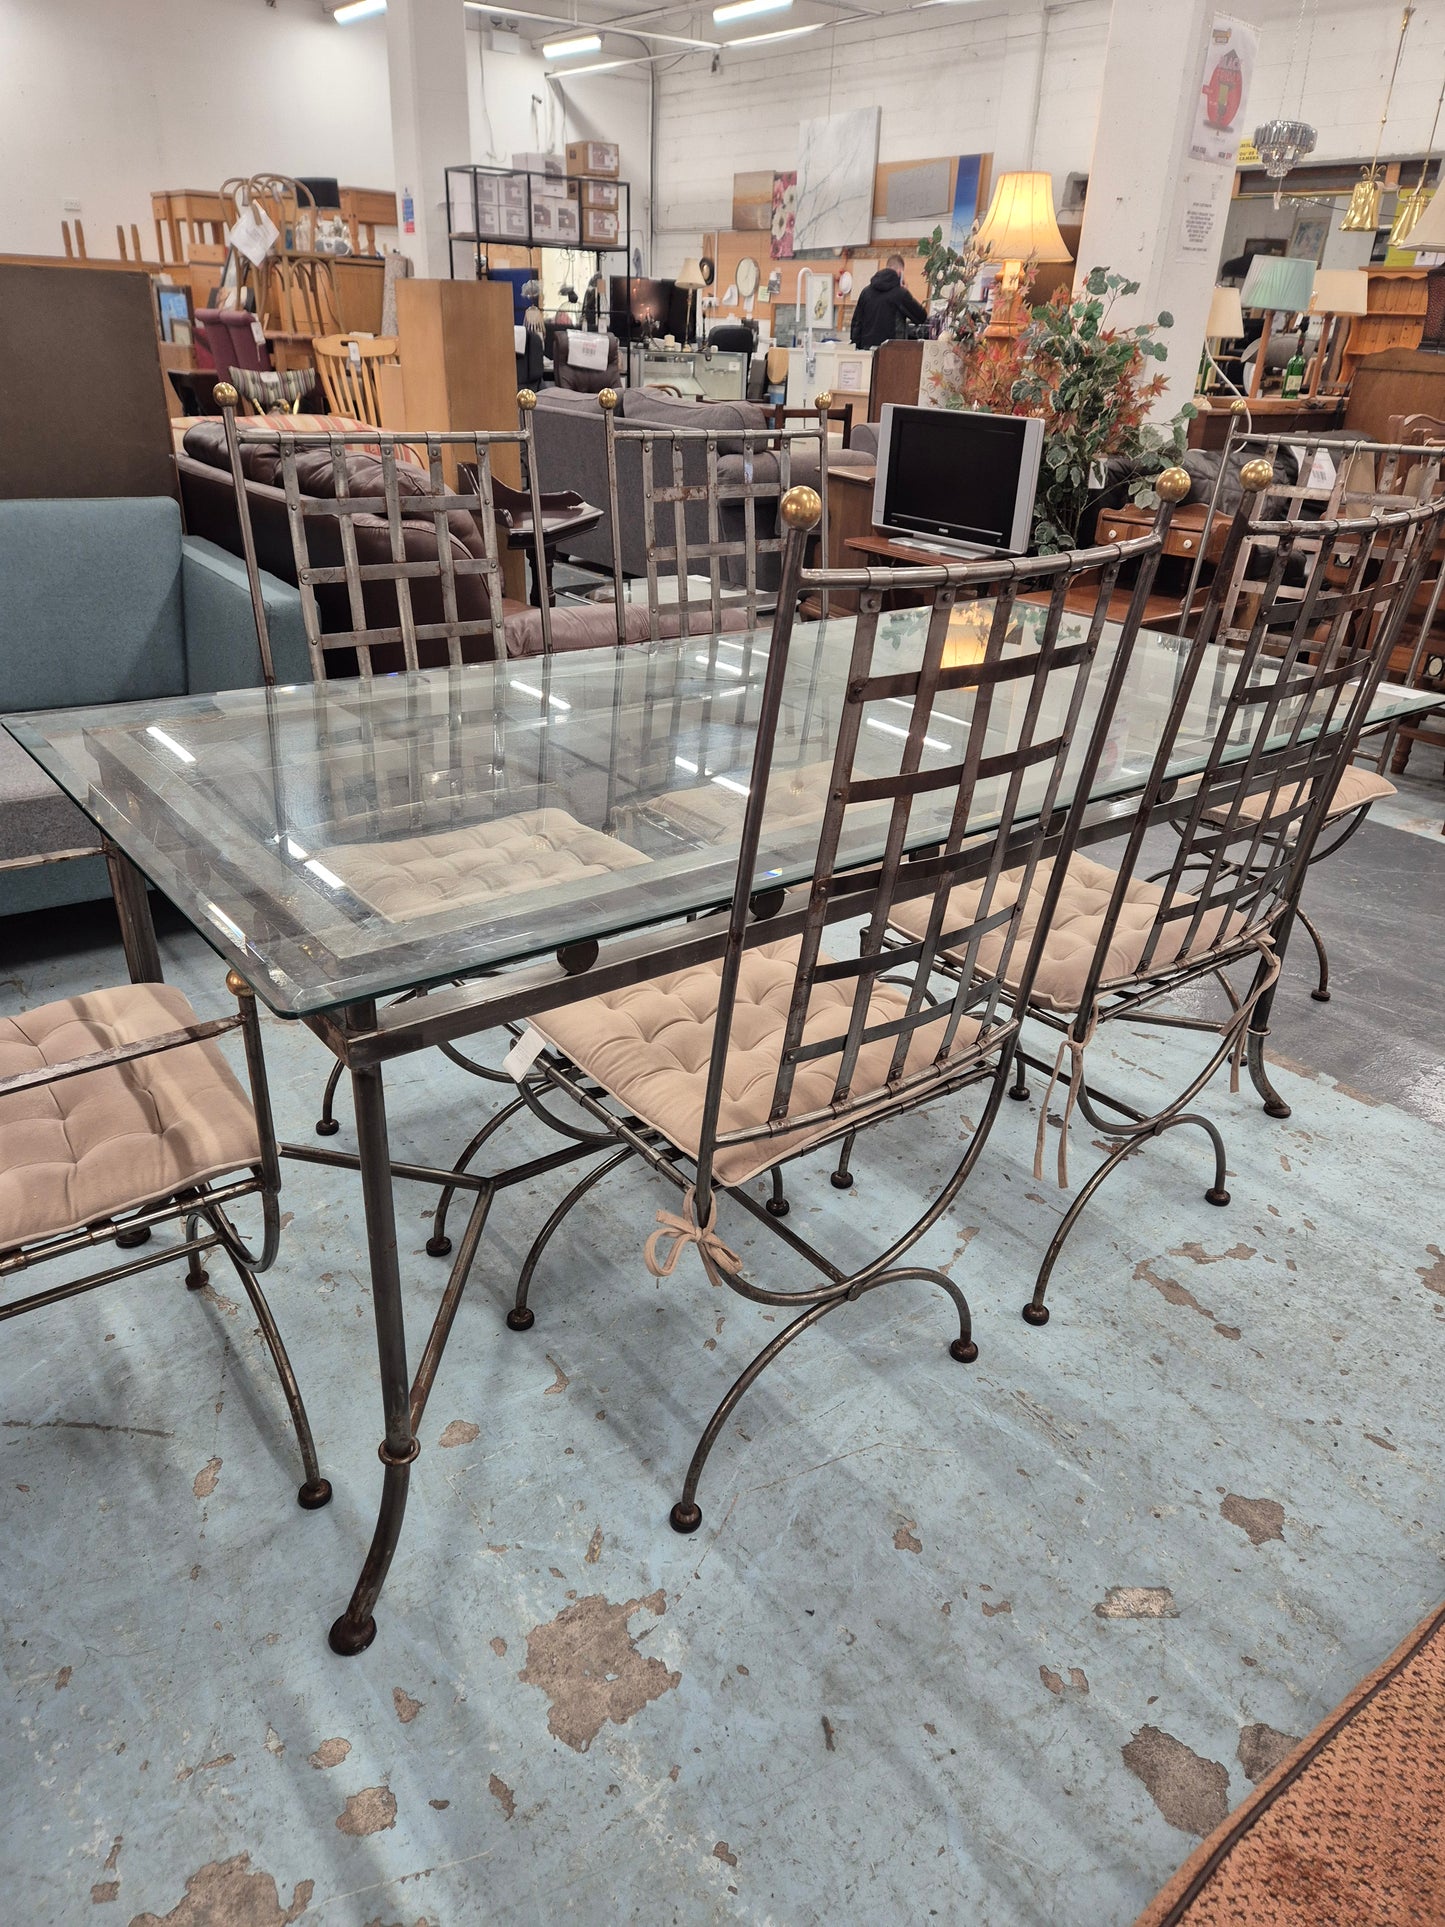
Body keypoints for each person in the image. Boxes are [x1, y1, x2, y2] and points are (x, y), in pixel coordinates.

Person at [850, 256, 928, 349]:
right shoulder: (900, 294)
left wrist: (856, 348)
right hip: (892, 351)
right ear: (900, 272)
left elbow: (856, 323)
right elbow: (921, 317)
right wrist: (906, 293)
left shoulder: (866, 292)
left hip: (866, 349)